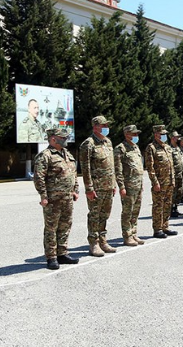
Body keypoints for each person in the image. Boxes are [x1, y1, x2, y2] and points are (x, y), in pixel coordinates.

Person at [33, 128, 79, 270]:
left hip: (67, 198)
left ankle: (62, 253)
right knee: (51, 228)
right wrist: (43, 196)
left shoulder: (67, 154)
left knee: (65, 226)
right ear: (53, 139)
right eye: (62, 137)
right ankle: (51, 257)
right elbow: (39, 178)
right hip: (53, 200)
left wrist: (75, 190)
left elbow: (73, 173)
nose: (65, 139)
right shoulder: (45, 156)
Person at [79, 115, 116, 257]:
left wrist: (113, 184)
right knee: (94, 215)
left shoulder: (108, 142)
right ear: (95, 127)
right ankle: (93, 243)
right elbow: (85, 168)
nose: (107, 128)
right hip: (96, 188)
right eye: (104, 125)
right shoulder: (88, 144)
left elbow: (111, 165)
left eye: (107, 125)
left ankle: (103, 240)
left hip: (108, 186)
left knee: (105, 215)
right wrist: (89, 188)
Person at [113, 125, 145, 247]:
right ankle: (127, 236)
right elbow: (118, 170)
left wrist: (141, 184)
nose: (136, 136)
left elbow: (139, 168)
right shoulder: (120, 149)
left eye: (137, 134)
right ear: (127, 134)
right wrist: (121, 186)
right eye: (134, 134)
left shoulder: (135, 147)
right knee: (127, 212)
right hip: (128, 186)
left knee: (135, 211)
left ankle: (133, 233)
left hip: (137, 185)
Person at [145, 125, 178, 237]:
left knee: (167, 205)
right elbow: (150, 167)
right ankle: (157, 229)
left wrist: (173, 180)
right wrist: (155, 182)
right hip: (159, 183)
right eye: (162, 134)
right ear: (156, 135)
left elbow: (171, 165)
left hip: (169, 182)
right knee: (158, 206)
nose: (164, 136)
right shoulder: (151, 148)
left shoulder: (167, 147)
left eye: (165, 134)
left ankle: (165, 226)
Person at [169, 131, 183, 217]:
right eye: (177, 137)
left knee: (180, 192)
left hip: (181, 174)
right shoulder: (169, 149)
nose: (178, 139)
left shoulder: (179, 149)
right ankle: (171, 209)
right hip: (174, 175)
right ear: (172, 138)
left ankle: (175, 207)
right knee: (173, 192)